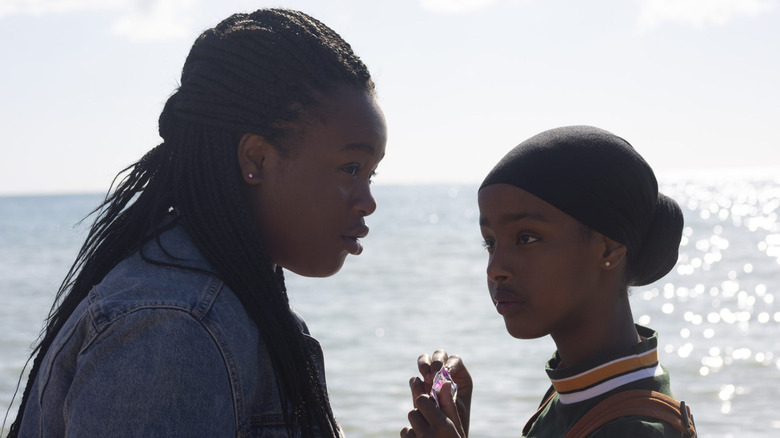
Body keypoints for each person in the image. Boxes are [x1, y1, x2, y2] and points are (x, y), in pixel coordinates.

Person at [5, 9, 386, 437]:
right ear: (256, 159)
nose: (368, 202)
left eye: (371, 174)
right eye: (351, 168)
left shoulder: (225, 308)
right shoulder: (174, 330)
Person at [402, 126, 693, 437]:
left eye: (526, 238)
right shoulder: (571, 393)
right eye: (490, 242)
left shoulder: (634, 429)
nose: (495, 268)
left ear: (608, 248)